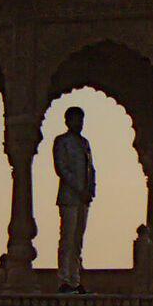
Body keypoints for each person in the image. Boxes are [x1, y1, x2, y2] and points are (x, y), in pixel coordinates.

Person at [51, 106, 94, 292]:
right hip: (69, 197)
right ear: (67, 121)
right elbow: (61, 168)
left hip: (83, 199)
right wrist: (79, 190)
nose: (79, 123)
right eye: (76, 120)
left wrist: (90, 191)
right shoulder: (62, 142)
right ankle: (64, 280)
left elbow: (90, 169)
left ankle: (75, 279)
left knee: (77, 241)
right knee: (67, 239)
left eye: (81, 120)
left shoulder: (84, 143)